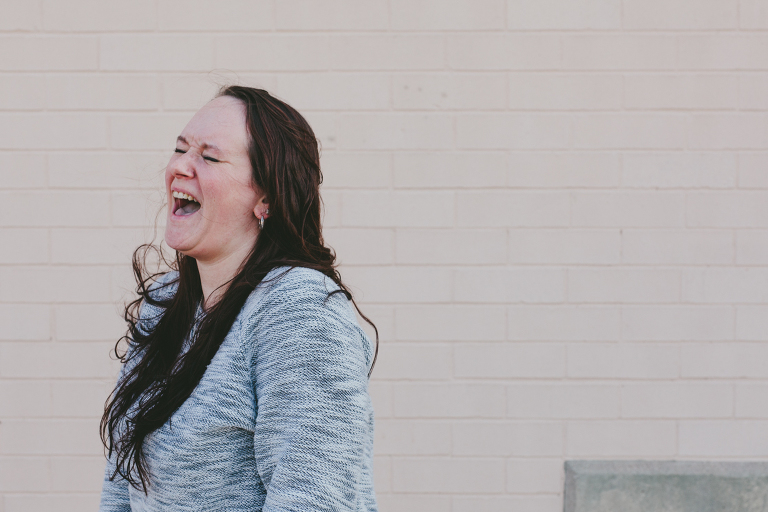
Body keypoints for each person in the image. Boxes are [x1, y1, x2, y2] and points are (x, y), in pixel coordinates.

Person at [99, 86, 378, 512]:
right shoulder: (165, 304)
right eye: (180, 149)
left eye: (209, 157)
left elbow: (313, 501)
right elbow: (123, 483)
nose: (180, 166)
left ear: (265, 197)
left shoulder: (300, 313)